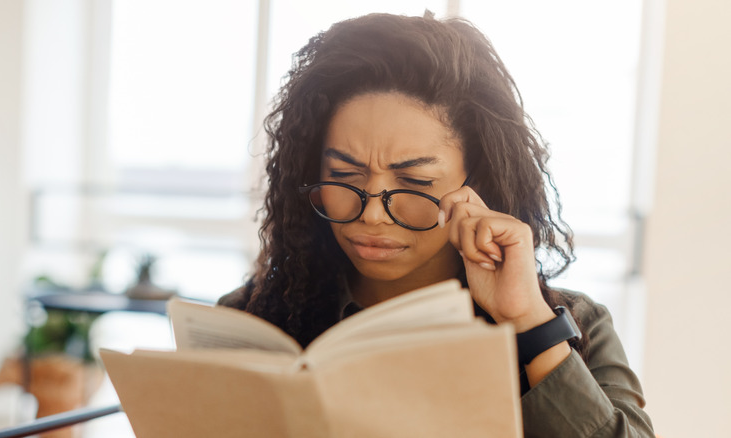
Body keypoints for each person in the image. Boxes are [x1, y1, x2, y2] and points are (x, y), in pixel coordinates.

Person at [218, 11, 655, 437]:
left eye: (413, 181)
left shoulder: (575, 324)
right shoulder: (252, 318)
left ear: (477, 183)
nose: (371, 214)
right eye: (344, 177)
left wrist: (528, 323)